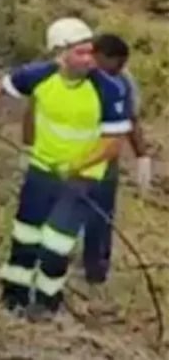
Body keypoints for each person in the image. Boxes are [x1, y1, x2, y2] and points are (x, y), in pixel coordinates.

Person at [0, 17, 130, 318]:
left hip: (81, 179)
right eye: (80, 52)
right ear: (60, 53)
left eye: (90, 51)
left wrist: (77, 165)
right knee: (25, 236)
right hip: (41, 171)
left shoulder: (109, 90)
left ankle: (47, 304)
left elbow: (113, 143)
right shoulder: (39, 76)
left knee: (56, 244)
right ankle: (14, 296)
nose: (89, 59)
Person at [80, 34, 152, 284]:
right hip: (72, 149)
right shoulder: (75, 73)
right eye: (117, 63)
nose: (120, 69)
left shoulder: (123, 81)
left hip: (104, 153)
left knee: (100, 214)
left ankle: (96, 270)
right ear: (100, 56)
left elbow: (130, 119)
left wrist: (142, 155)